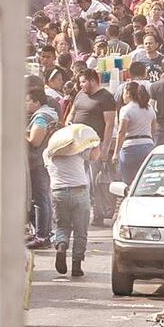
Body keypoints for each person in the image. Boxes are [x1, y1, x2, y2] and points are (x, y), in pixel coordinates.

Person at [43, 125, 100, 278]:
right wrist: (95, 143)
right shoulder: (77, 149)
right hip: (79, 191)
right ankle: (76, 265)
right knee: (81, 231)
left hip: (58, 193)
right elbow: (94, 156)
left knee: (62, 226)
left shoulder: (47, 153)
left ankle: (61, 246)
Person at [65, 69, 116, 225]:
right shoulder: (80, 95)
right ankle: (81, 212)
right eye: (80, 82)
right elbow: (71, 113)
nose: (81, 85)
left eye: (83, 82)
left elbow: (109, 124)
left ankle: (98, 214)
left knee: (95, 181)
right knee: (80, 180)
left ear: (93, 80)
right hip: (77, 145)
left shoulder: (106, 97)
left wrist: (105, 148)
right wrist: (68, 122)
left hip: (95, 145)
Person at [25, 87, 58, 249]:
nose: (25, 104)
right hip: (42, 161)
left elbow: (35, 141)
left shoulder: (41, 117)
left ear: (37, 103)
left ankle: (42, 236)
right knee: (41, 199)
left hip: (38, 162)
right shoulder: (47, 114)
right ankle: (44, 232)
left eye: (27, 101)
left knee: (40, 199)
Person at [113, 82, 157, 187]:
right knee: (146, 180)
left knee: (128, 182)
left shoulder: (126, 109)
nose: (123, 96)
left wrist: (116, 153)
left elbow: (121, 132)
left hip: (130, 148)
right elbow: (153, 130)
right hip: (147, 145)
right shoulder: (149, 108)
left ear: (128, 93)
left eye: (123, 93)